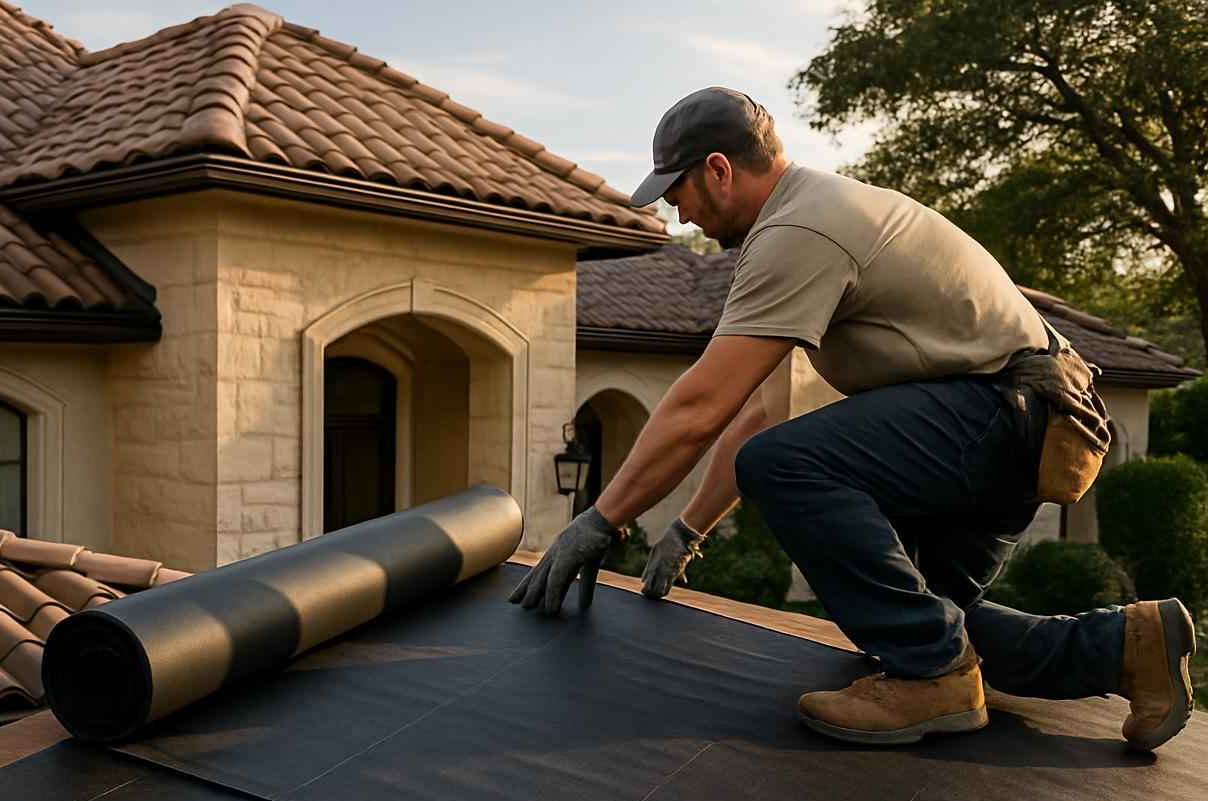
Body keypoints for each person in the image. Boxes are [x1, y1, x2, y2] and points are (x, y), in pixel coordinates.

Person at [510, 86, 1195, 751]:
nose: (680, 215)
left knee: (898, 616)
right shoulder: (811, 217)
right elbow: (753, 409)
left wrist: (602, 519)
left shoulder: (797, 229)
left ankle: (933, 679)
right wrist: (687, 529)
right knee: (918, 625)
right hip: (1020, 422)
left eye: (677, 191)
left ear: (717, 169)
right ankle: (1129, 645)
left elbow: (699, 407)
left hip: (1005, 412)